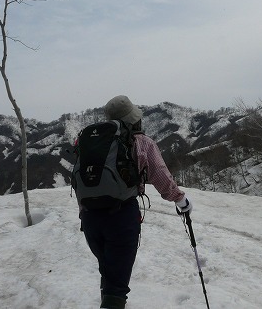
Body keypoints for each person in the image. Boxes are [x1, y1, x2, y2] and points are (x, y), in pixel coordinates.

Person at [79, 95, 192, 309]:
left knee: (109, 271)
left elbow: (82, 180)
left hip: (90, 218)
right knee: (117, 284)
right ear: (134, 118)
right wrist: (180, 199)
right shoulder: (142, 142)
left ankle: (109, 299)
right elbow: (160, 175)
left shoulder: (91, 142)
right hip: (121, 217)